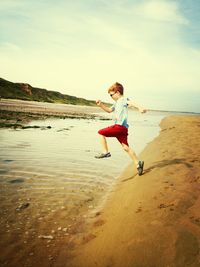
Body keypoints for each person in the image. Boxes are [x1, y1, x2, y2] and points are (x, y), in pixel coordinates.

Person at [95, 82, 147, 176]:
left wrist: (140, 108)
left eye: (111, 95)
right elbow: (109, 110)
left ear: (118, 92)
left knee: (101, 133)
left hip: (119, 127)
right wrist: (101, 105)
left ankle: (105, 152)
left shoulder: (123, 99)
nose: (110, 97)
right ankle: (138, 163)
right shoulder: (116, 103)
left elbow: (131, 102)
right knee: (125, 147)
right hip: (123, 129)